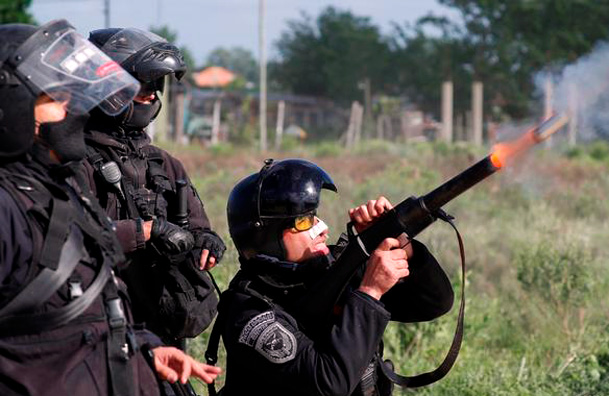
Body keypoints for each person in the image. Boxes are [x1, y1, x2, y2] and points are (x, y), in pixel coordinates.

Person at [0, 19, 220, 396]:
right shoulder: (16, 201)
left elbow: (89, 305)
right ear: (15, 108)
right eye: (57, 99)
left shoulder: (57, 183)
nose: (73, 110)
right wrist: (147, 232)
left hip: (139, 346)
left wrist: (145, 350)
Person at [216, 158, 454, 396]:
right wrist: (370, 292)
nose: (322, 227)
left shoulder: (330, 268)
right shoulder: (249, 313)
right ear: (268, 237)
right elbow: (329, 383)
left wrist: (401, 245)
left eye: (314, 215)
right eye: (303, 221)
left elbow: (434, 302)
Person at [77, 27, 226, 345]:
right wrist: (145, 232)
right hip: (101, 328)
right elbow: (75, 240)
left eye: (156, 84)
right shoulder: (76, 161)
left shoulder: (166, 163)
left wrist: (206, 244)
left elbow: (199, 228)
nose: (151, 93)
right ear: (106, 86)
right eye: (141, 83)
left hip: (163, 325)